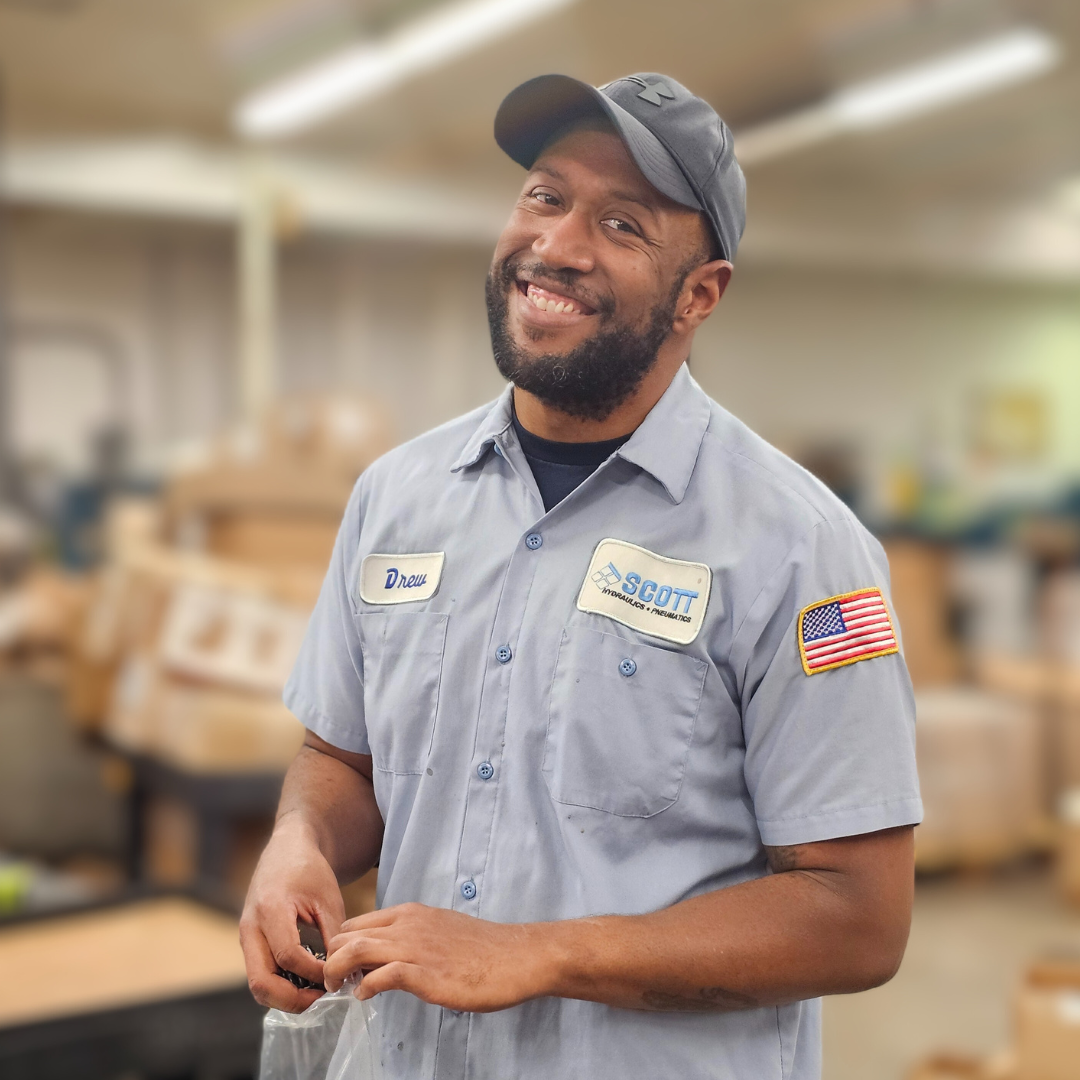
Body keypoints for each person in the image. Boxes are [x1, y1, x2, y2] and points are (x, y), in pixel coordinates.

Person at [240, 72, 922, 1080]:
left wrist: (536, 953)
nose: (556, 245)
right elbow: (343, 759)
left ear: (701, 294)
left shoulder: (798, 548)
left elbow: (858, 918)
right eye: (545, 197)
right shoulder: (398, 496)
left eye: (623, 224)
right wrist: (299, 842)